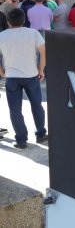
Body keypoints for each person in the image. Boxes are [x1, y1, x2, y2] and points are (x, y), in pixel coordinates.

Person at [0, 8, 48, 149]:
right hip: (31, 74)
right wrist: (41, 69)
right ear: (24, 20)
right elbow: (44, 52)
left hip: (11, 76)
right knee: (37, 105)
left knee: (15, 109)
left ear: (8, 21)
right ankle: (40, 134)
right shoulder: (33, 33)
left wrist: (1, 71)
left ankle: (21, 140)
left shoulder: (2, 36)